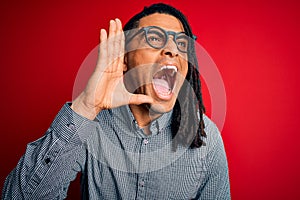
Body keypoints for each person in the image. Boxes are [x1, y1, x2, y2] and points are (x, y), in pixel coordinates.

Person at [2, 3, 230, 199]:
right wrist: (86, 106)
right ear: (124, 60)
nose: (172, 50)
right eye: (153, 38)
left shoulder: (207, 140)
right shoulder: (91, 124)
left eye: (182, 44)